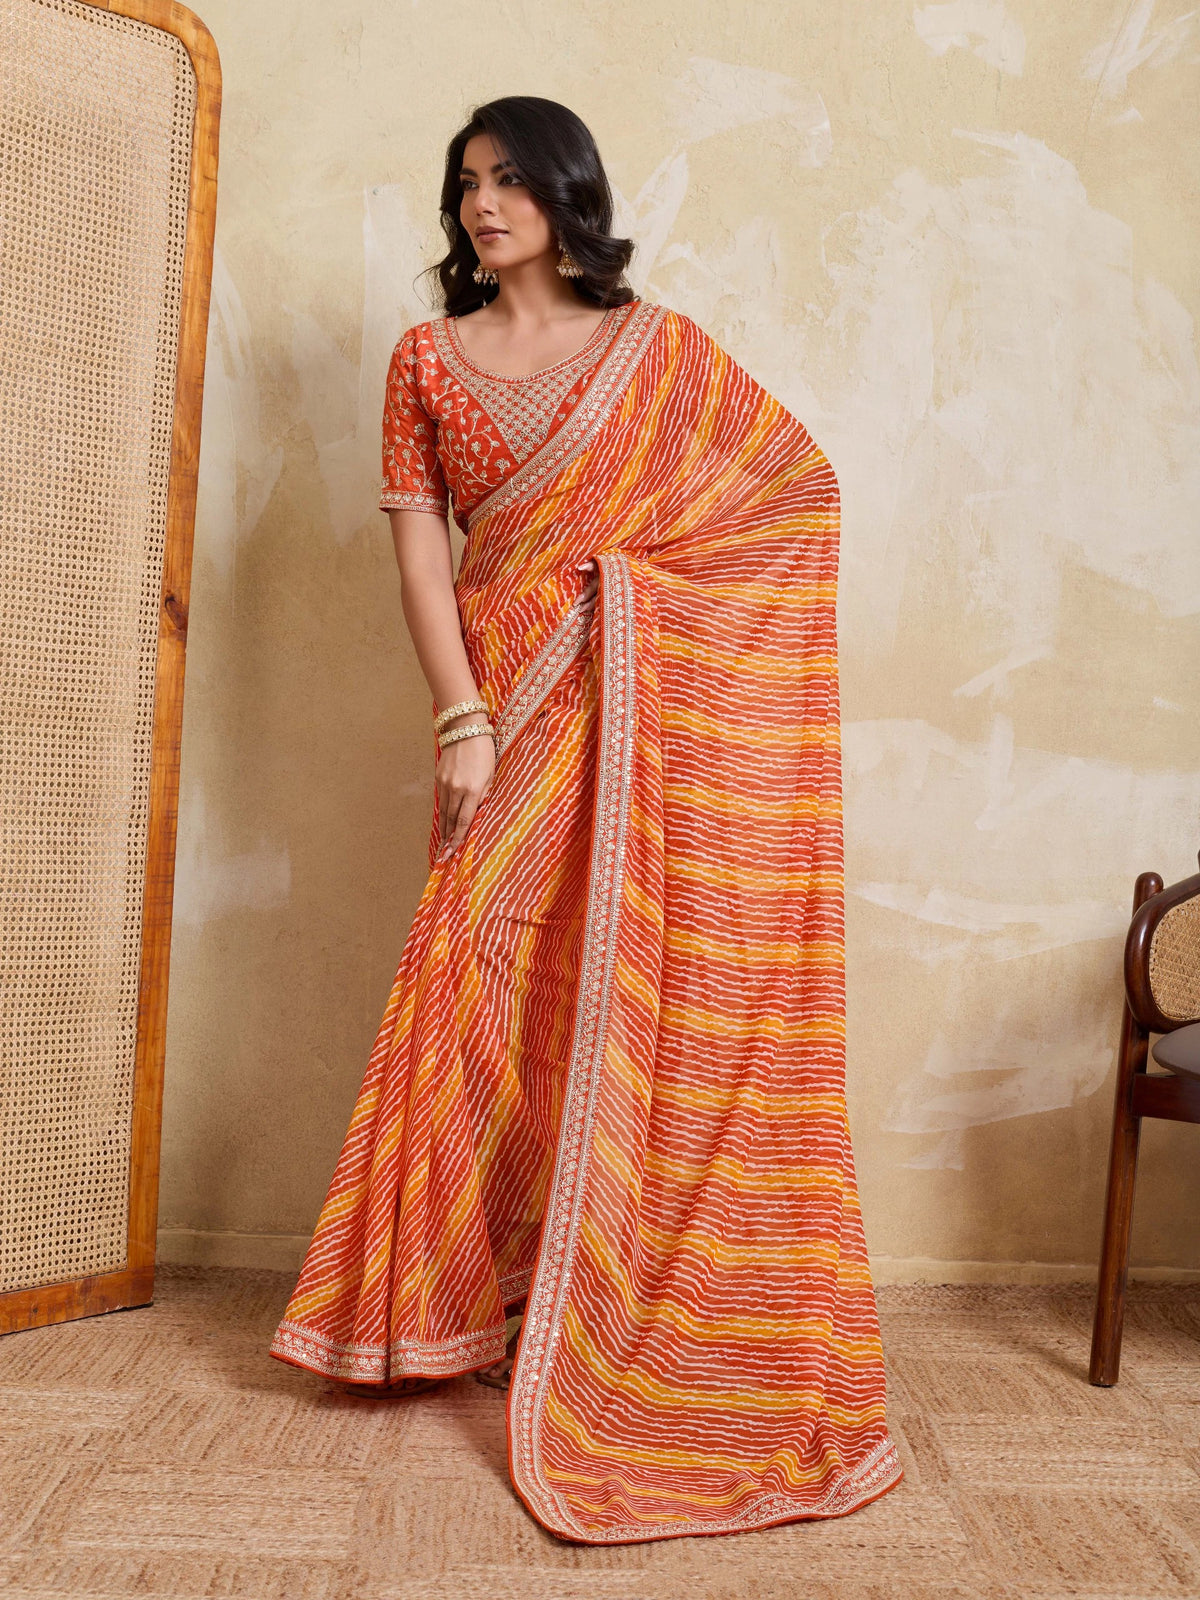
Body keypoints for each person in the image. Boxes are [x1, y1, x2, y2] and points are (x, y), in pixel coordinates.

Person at [269, 94, 903, 1545]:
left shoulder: (656, 352)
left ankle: (594, 1280)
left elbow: (792, 496)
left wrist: (638, 602)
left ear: (568, 192)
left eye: (509, 178)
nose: (483, 203)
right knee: (478, 965)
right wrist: (461, 719)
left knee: (603, 978)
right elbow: (426, 567)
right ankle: (433, 1304)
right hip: (507, 701)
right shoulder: (426, 359)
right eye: (466, 182)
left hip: (636, 708)